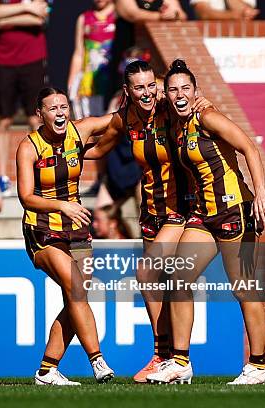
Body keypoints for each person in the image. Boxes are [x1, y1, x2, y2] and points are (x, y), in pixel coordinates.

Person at [84, 60, 210, 383]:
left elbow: (200, 108)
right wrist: (63, 150)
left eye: (151, 85)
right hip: (150, 211)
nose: (147, 93)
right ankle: (168, 357)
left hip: (180, 208)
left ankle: (168, 355)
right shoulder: (127, 118)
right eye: (139, 87)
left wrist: (206, 102)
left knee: (148, 272)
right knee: (157, 282)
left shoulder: (170, 107)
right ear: (127, 91)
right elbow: (99, 147)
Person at [147, 59, 265, 385]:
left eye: (186, 88)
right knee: (178, 277)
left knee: (243, 287)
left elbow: (248, 147)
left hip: (234, 211)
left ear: (195, 91)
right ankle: (180, 362)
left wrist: (260, 191)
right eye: (173, 89)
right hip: (203, 215)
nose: (179, 94)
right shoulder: (176, 124)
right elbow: (144, 96)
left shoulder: (207, 116)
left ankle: (259, 365)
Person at [17, 87, 116, 386]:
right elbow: (25, 197)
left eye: (64, 106)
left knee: (77, 297)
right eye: (52, 108)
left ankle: (47, 370)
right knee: (76, 288)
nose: (60, 113)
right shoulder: (29, 147)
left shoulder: (80, 131)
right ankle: (97, 361)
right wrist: (63, 205)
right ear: (40, 114)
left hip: (75, 226)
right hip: (42, 227)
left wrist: (145, 105)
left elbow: (118, 121)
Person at [0, 0, 48, 194]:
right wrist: (26, 8)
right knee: (4, 120)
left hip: (33, 59)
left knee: (35, 119)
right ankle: (3, 177)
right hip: (3, 61)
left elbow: (40, 18)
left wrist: (7, 16)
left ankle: (41, 174)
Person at [68, 0, 116, 118]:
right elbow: (79, 53)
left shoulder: (120, 15)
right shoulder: (84, 18)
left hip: (114, 80)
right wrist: (72, 83)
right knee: (92, 124)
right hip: (91, 83)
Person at [190, 0, 259, 20]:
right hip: (210, 37)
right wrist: (233, 15)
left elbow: (246, 11)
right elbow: (204, 14)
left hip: (241, 37)